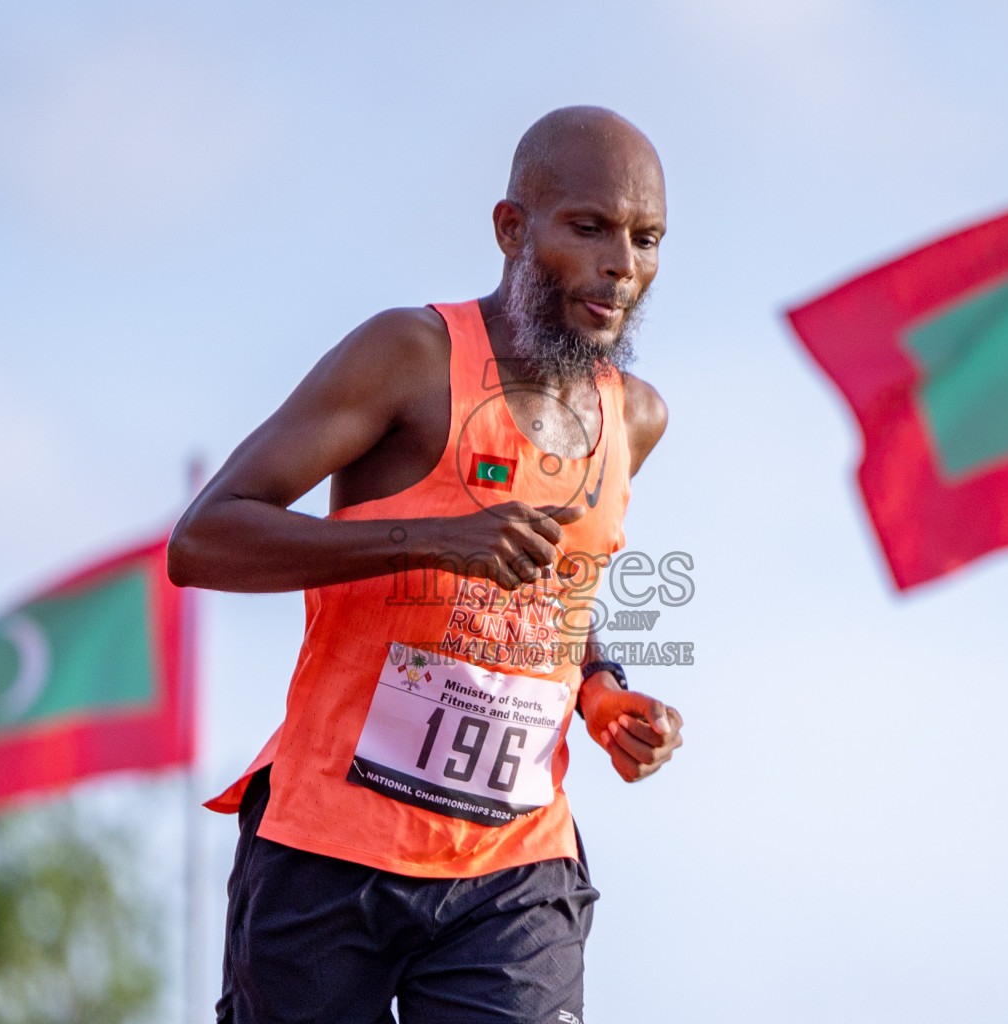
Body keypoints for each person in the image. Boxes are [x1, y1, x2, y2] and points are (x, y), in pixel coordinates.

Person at [168, 105, 685, 1024]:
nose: (622, 265)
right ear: (512, 229)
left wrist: (601, 689)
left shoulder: (634, 418)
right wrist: (434, 539)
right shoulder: (409, 357)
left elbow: (560, 592)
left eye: (645, 239)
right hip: (330, 854)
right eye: (590, 227)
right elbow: (206, 539)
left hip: (512, 871)